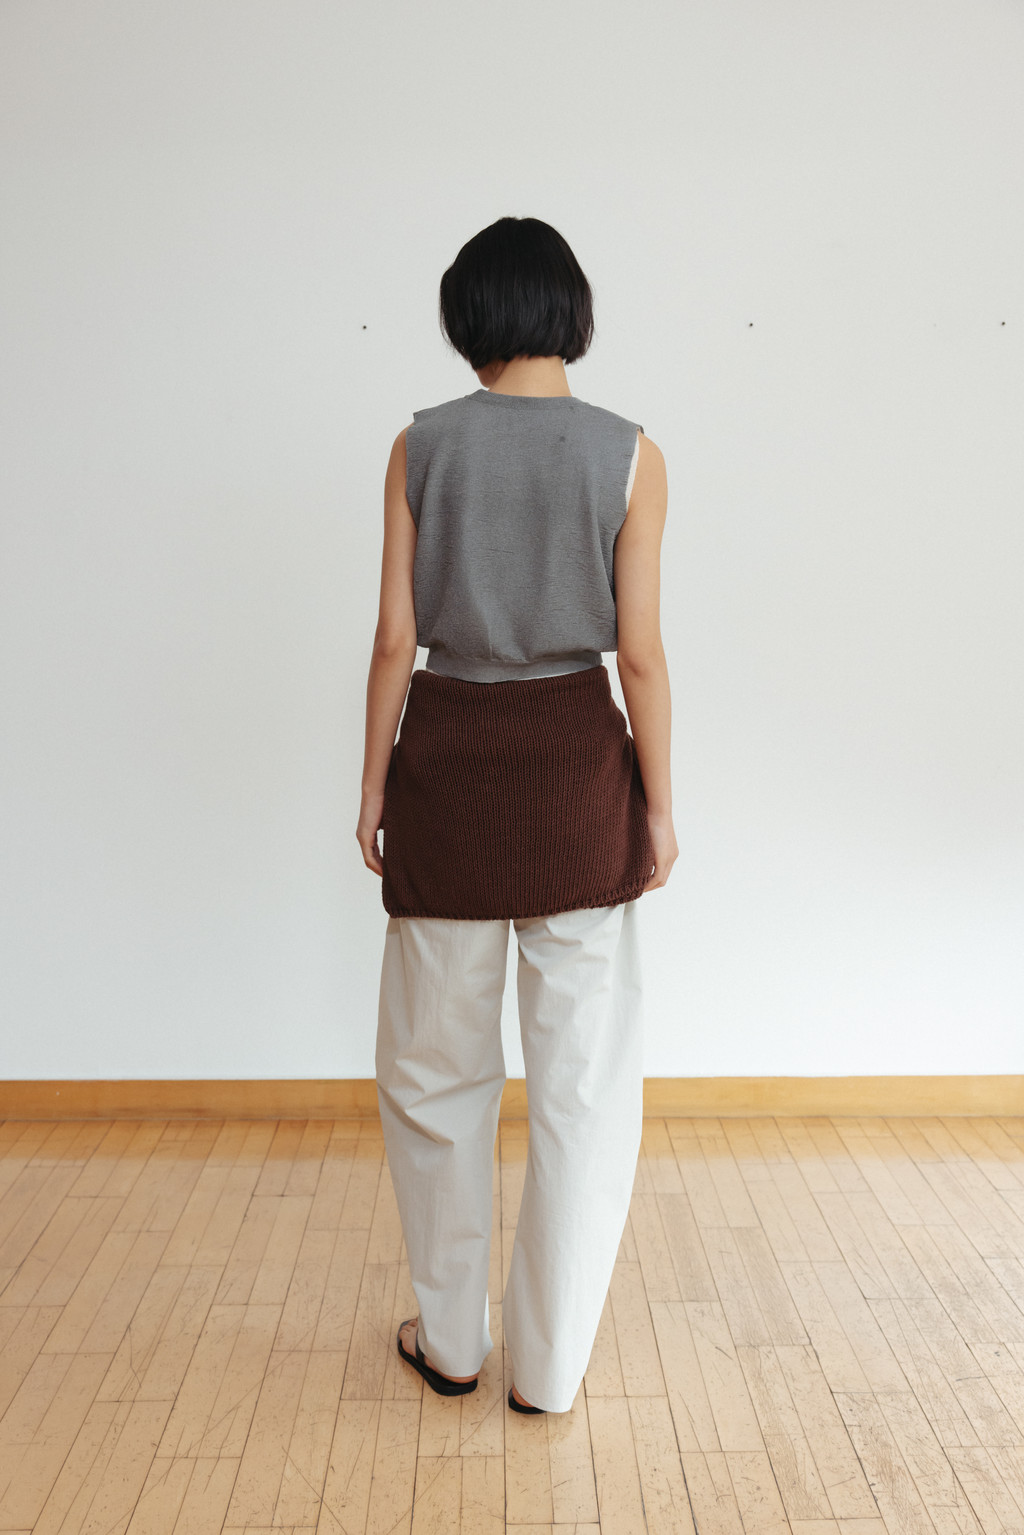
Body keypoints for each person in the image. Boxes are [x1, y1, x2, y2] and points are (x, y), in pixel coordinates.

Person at [356, 215, 676, 1416]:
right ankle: (548, 1369)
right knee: (584, 1087)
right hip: (576, 775)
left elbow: (395, 637)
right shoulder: (632, 454)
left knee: (434, 1072)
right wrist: (659, 802)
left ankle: (450, 1340)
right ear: (569, 312)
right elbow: (638, 656)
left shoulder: (419, 445)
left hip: (448, 763)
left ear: (468, 316)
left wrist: (375, 784)